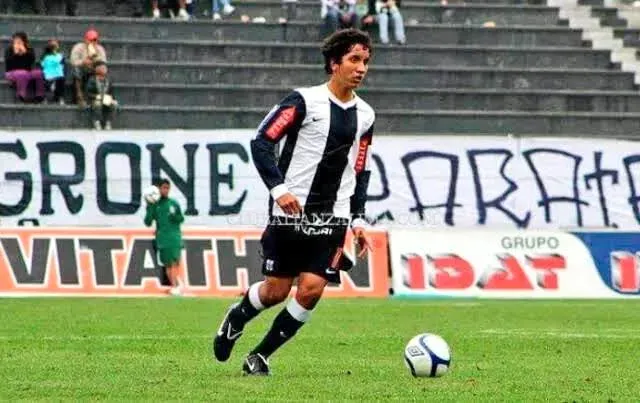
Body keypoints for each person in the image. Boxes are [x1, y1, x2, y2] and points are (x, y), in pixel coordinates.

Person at [212, 28, 375, 376]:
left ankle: (260, 356)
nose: (361, 68)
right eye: (354, 60)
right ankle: (236, 317)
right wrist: (279, 190)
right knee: (275, 291)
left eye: (366, 61)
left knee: (312, 289)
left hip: (334, 216)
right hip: (292, 211)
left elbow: (360, 168)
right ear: (334, 63)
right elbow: (261, 141)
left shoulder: (366, 115)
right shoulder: (302, 101)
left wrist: (358, 220)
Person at [144, 179, 185, 296]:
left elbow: (181, 218)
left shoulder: (173, 203)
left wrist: (174, 216)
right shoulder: (154, 205)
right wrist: (150, 207)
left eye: (167, 188)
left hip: (175, 236)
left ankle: (176, 285)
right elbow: (147, 222)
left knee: (176, 262)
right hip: (163, 239)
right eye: (163, 188)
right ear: (158, 189)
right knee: (168, 264)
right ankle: (175, 286)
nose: (165, 190)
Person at [4, 32, 45, 103]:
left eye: (19, 41)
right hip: (11, 73)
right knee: (22, 73)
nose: (17, 43)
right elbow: (9, 64)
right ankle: (21, 95)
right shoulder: (9, 50)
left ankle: (39, 95)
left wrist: (25, 52)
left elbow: (31, 61)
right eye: (15, 41)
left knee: (39, 73)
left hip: (27, 72)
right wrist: (15, 54)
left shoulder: (29, 49)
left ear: (24, 42)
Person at [70, 29, 107, 107]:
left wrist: (95, 60)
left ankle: (99, 98)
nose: (92, 42)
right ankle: (79, 96)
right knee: (76, 70)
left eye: (95, 40)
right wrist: (83, 62)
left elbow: (103, 62)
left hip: (94, 69)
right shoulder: (78, 47)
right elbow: (73, 61)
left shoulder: (100, 49)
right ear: (85, 40)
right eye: (90, 40)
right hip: (82, 69)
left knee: (102, 71)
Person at [86, 62, 117, 130]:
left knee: (114, 104)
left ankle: (108, 122)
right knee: (97, 104)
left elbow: (112, 92)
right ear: (97, 69)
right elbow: (88, 93)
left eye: (105, 68)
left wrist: (112, 98)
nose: (105, 69)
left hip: (105, 98)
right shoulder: (92, 80)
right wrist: (97, 97)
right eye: (103, 68)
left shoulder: (109, 80)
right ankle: (97, 122)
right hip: (95, 99)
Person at [40, 39, 66, 104]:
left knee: (60, 81)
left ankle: (60, 97)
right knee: (47, 83)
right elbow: (43, 65)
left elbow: (62, 65)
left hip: (58, 75)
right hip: (48, 76)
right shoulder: (45, 56)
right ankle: (46, 98)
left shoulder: (60, 56)